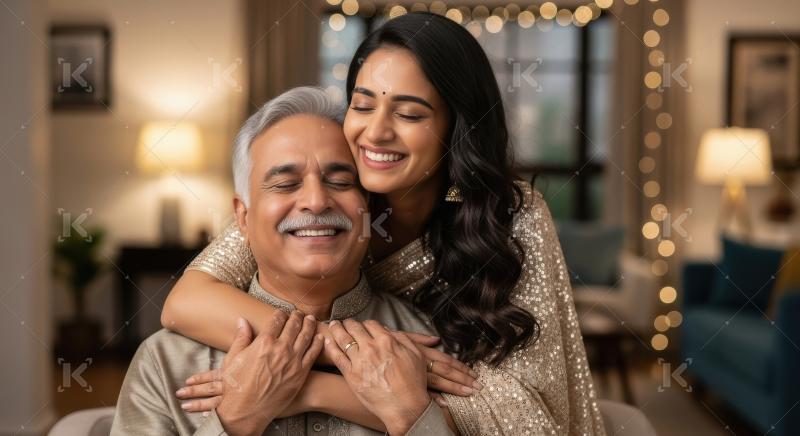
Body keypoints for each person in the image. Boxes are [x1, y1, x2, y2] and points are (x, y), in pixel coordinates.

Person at [162, 12, 606, 435]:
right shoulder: (329, 194)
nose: (375, 133)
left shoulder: (510, 213)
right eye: (362, 105)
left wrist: (314, 388)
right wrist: (349, 348)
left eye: (410, 114)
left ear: (457, 129)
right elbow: (185, 303)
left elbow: (532, 421)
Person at [111, 87, 457, 435]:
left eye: (339, 181)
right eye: (286, 184)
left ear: (369, 207)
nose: (316, 201)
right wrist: (236, 418)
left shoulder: (432, 350)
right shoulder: (165, 363)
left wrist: (412, 417)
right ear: (242, 218)